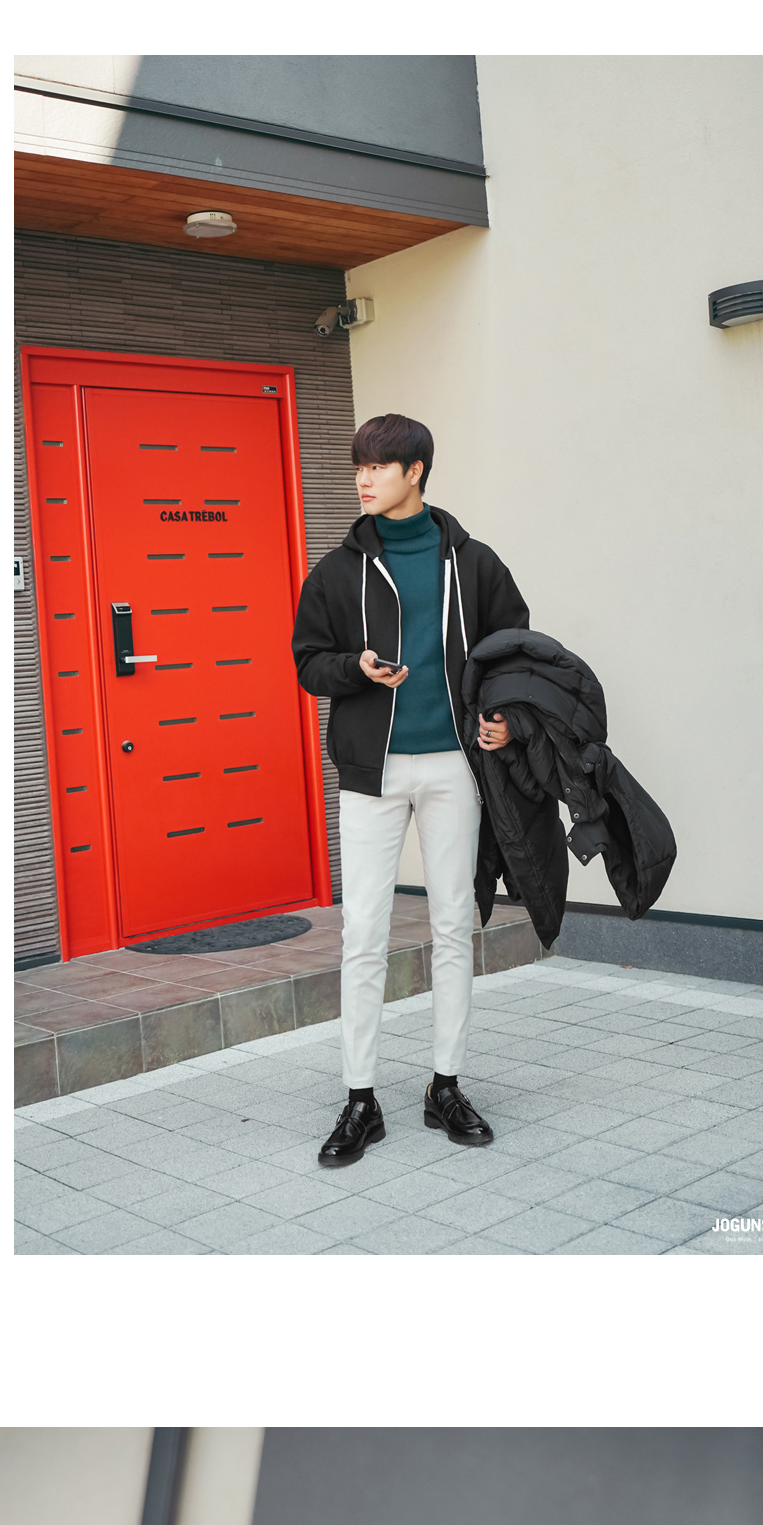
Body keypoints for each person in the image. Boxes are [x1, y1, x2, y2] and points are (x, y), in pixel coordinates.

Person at [291, 409, 523, 1164]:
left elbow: (513, 651)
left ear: (414, 472)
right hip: (373, 771)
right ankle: (360, 1099)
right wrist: (354, 670)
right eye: (359, 466)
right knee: (364, 932)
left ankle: (444, 1086)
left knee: (454, 924)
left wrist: (503, 721)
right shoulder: (338, 570)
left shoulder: (473, 563)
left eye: (377, 466)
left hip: (454, 765)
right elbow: (307, 662)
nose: (363, 479)